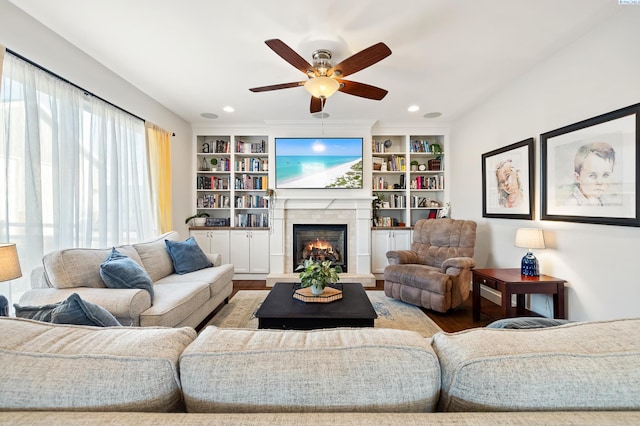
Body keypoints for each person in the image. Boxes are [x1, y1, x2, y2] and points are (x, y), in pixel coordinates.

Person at [565, 142, 615, 206]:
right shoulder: (572, 203)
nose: (600, 182)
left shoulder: (604, 202)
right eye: (592, 175)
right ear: (578, 177)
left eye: (605, 175)